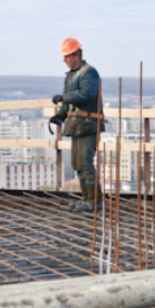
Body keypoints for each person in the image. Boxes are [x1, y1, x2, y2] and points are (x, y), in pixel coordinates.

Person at [51, 38, 104, 212]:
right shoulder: (72, 75)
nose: (64, 60)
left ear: (75, 55)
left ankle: (94, 201)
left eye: (66, 56)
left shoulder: (88, 73)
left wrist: (64, 98)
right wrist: (59, 116)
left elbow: (87, 94)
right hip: (77, 124)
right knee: (77, 163)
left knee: (85, 162)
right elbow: (69, 102)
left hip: (88, 124)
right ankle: (87, 198)